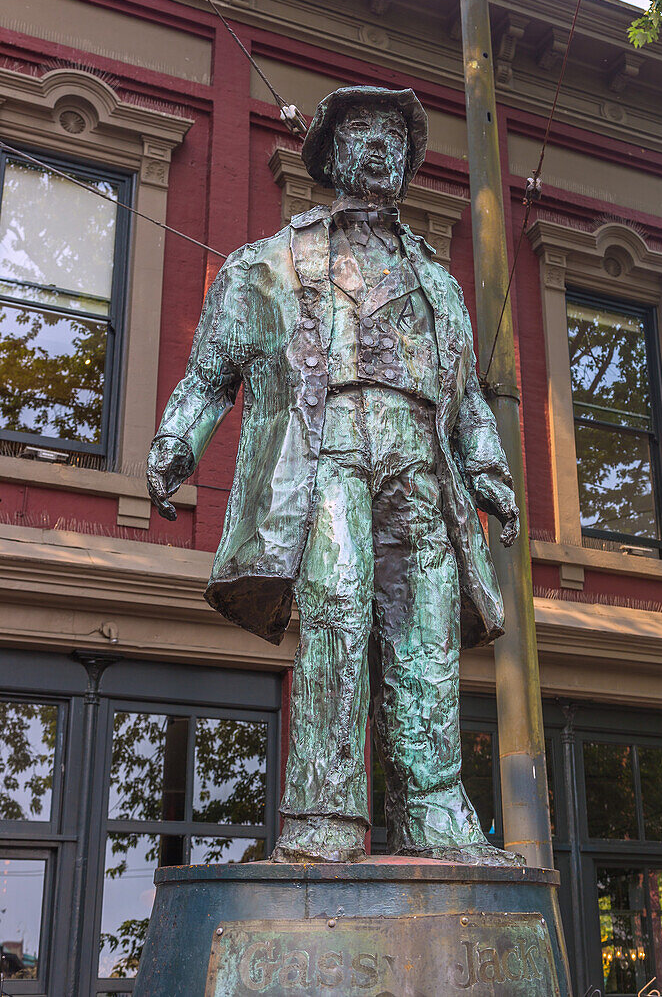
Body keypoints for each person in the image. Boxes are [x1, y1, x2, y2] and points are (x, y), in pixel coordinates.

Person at [147, 85, 521, 864]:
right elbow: (212, 372)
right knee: (338, 613)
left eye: (393, 134)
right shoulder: (270, 263)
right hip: (328, 455)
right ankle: (325, 812)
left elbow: (467, 401)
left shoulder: (437, 282)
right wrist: (176, 442)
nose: (380, 145)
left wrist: (487, 468)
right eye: (362, 132)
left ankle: (431, 810)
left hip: (419, 462)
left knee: (423, 636)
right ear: (329, 154)